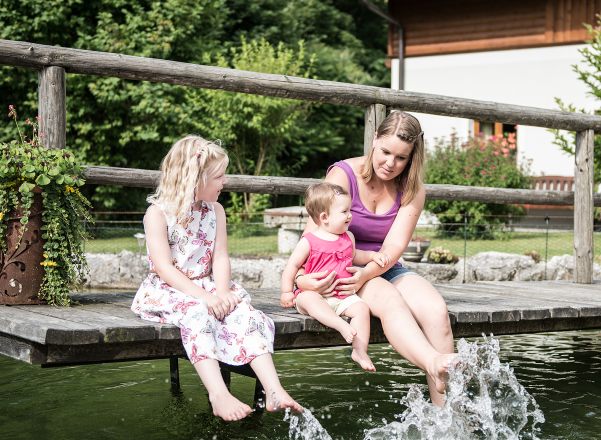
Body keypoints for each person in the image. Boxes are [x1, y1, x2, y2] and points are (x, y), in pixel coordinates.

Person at [130, 135, 301, 421]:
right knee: (198, 314)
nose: (225, 182)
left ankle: (274, 390)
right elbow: (165, 269)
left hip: (207, 284)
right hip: (169, 288)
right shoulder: (157, 214)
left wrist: (221, 292)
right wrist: (206, 298)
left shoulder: (215, 211)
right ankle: (218, 394)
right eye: (219, 176)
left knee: (246, 314)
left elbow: (220, 257)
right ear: (194, 179)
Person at [294, 111, 457, 406]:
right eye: (385, 152)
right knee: (391, 300)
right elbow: (313, 237)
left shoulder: (412, 188)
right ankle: (433, 363)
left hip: (382, 264)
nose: (390, 163)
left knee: (437, 311)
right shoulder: (342, 175)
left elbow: (394, 245)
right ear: (375, 139)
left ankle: (447, 412)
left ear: (412, 157)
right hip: (341, 269)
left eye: (401, 158)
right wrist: (301, 279)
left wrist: (368, 272)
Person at [280, 182, 392, 372]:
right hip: (316, 295)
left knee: (362, 309)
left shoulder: (348, 237)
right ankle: (340, 325)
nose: (350, 215)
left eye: (349, 210)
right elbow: (292, 265)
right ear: (324, 217)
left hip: (342, 297)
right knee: (308, 298)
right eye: (344, 211)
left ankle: (360, 350)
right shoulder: (309, 241)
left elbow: (355, 255)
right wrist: (286, 291)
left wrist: (373, 255)